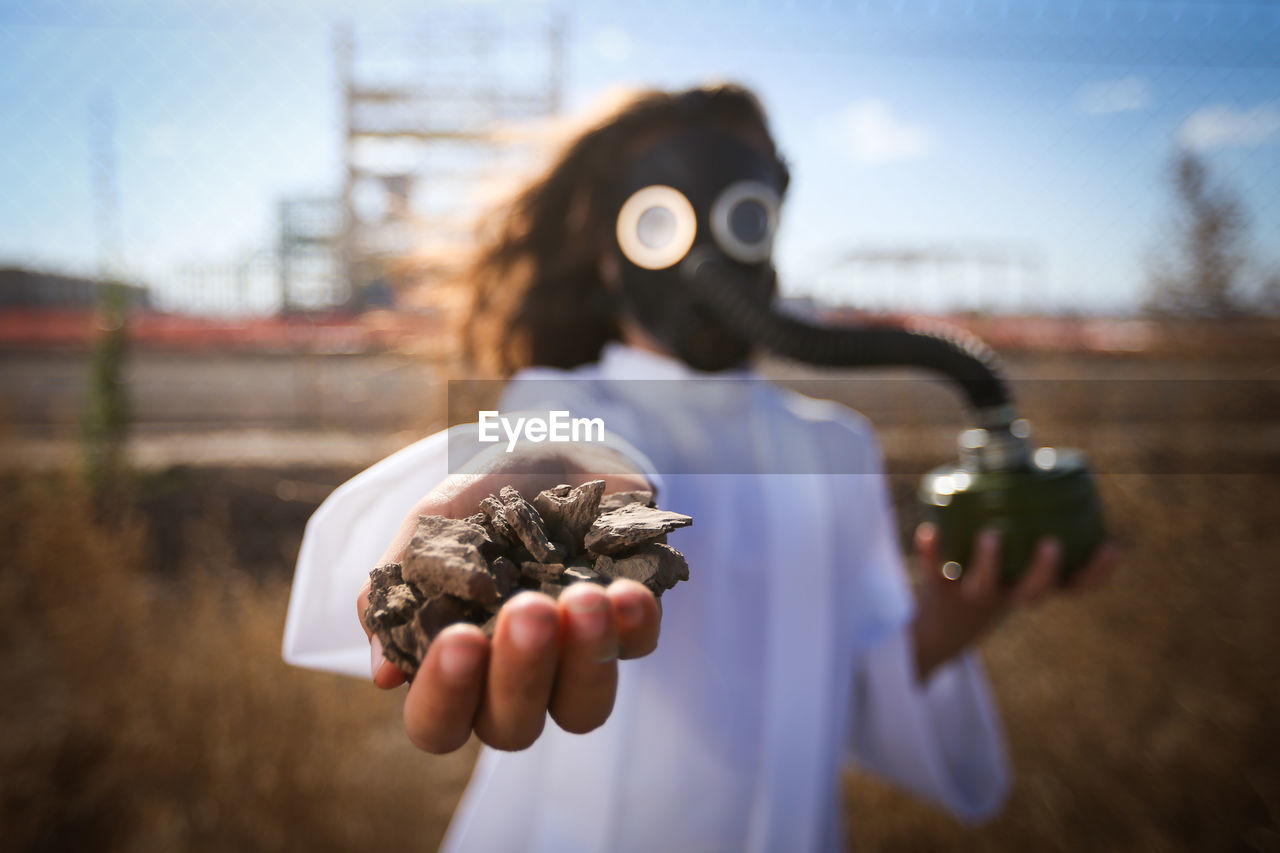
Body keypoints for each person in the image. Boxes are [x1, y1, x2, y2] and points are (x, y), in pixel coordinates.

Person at [282, 83, 1116, 852]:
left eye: (744, 214)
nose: (711, 251)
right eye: (665, 220)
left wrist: (952, 620)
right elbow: (549, 445)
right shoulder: (568, 399)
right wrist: (564, 483)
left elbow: (843, 688)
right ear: (610, 254)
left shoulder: (836, 447)